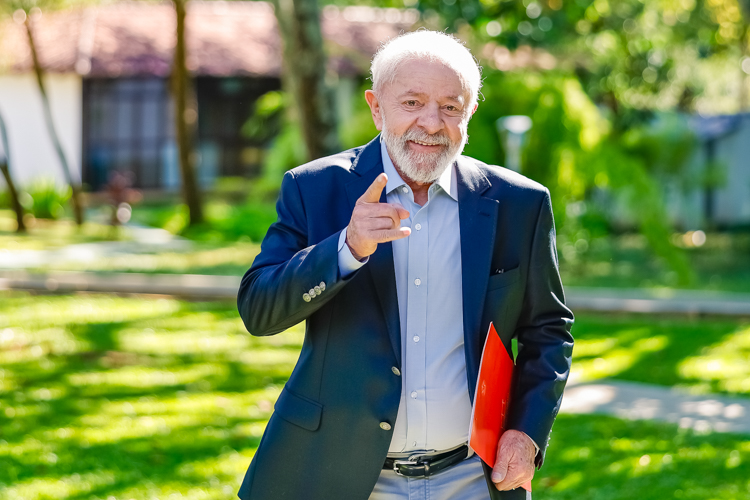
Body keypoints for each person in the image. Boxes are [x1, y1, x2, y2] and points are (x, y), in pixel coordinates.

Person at [236, 30, 574, 500]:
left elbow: (548, 329)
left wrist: (526, 431)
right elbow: (259, 310)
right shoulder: (314, 188)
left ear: (470, 112)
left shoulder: (519, 203)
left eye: (450, 107)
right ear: (376, 108)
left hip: (473, 479)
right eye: (412, 103)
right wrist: (347, 247)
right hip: (343, 478)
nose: (431, 124)